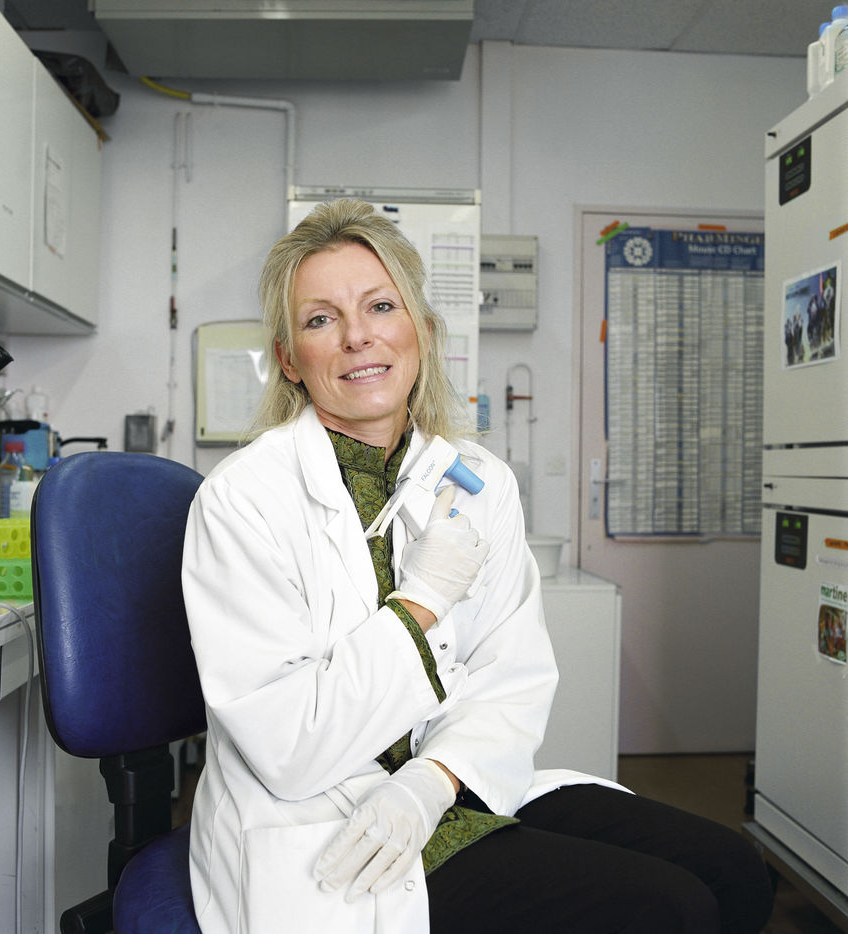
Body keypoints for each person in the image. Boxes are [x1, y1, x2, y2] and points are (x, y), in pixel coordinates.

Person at [181, 198, 773, 934]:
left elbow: (511, 675)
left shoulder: (477, 481)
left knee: (736, 871)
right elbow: (289, 748)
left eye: (380, 306)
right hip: (321, 818)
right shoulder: (241, 501)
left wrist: (431, 783)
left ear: (423, 332)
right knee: (671, 909)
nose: (358, 336)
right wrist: (421, 602)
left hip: (453, 783)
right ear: (289, 359)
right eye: (321, 319)